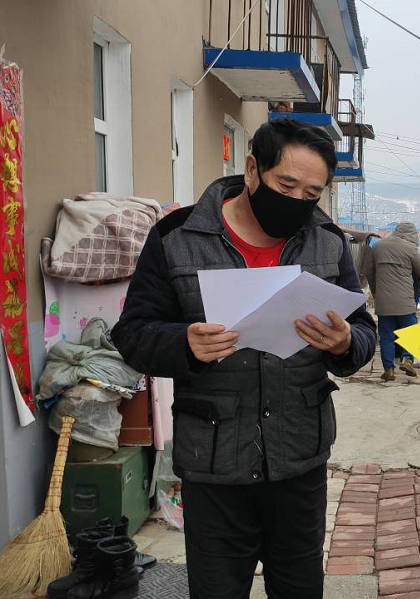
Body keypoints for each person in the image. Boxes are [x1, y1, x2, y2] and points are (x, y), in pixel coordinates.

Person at [111, 118, 376, 599]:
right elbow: (132, 335)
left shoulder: (328, 242)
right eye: (286, 186)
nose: (297, 201)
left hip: (298, 459)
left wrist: (344, 343)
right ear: (252, 169)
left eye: (311, 193)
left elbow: (363, 333)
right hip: (214, 463)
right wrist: (183, 343)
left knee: (299, 588)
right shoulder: (177, 237)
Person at [364, 222, 420, 381]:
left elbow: (369, 271)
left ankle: (389, 369)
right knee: (410, 333)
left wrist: (375, 291)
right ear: (411, 235)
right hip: (405, 303)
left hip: (384, 304)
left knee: (387, 336)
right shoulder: (410, 249)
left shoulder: (377, 247)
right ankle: (407, 359)